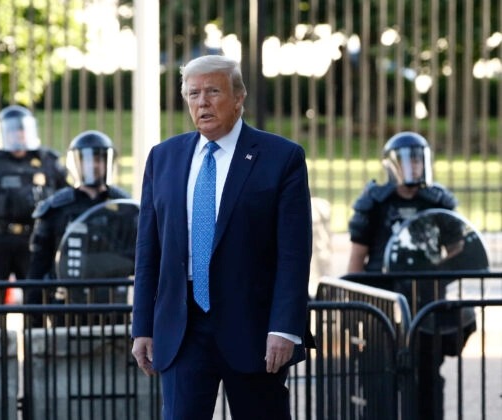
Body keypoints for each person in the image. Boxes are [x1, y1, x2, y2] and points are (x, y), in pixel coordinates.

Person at [130, 55, 313, 419]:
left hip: (255, 331)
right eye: (193, 93)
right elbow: (148, 250)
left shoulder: (281, 157)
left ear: (239, 96)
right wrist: (143, 327)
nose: (202, 102)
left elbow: (294, 254)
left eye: (213, 91)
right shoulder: (163, 158)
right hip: (182, 329)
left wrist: (284, 328)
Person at [346, 131, 469, 420]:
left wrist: (435, 268)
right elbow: (356, 261)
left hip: (425, 305)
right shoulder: (374, 202)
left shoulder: (437, 200)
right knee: (379, 381)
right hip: (382, 304)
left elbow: (458, 251)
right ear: (392, 164)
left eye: (417, 159)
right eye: (407, 160)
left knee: (427, 381)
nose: (413, 166)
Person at [0, 105, 68, 315]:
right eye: (12, 131)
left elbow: (65, 197)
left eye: (22, 130)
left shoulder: (47, 161)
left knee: (36, 300)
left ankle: (34, 344)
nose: (18, 136)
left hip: (34, 239)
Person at [26, 130, 130, 305]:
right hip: (67, 303)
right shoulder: (56, 208)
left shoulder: (123, 207)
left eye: (99, 159)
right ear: (76, 163)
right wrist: (33, 320)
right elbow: (38, 265)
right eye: (87, 160)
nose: (94, 165)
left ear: (107, 163)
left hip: (113, 302)